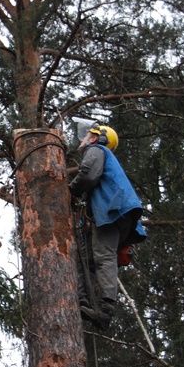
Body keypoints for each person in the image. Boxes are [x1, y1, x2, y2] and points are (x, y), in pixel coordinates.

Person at [69, 124, 146, 330]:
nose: (83, 139)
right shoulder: (106, 156)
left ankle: (105, 310)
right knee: (87, 258)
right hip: (121, 213)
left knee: (103, 255)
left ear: (96, 138)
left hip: (113, 209)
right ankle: (83, 300)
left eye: (87, 136)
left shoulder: (96, 150)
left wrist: (69, 192)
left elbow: (87, 175)